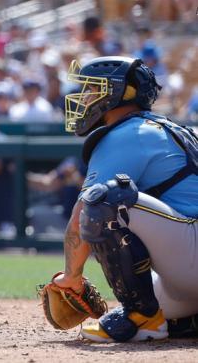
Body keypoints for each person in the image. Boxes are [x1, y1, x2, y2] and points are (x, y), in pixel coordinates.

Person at [54, 56, 198, 342]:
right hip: (188, 263)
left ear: (118, 92)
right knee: (168, 310)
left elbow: (82, 213)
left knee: (102, 200)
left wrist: (71, 278)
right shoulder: (168, 127)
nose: (84, 96)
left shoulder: (128, 132)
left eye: (92, 88)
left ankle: (141, 316)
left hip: (191, 259)